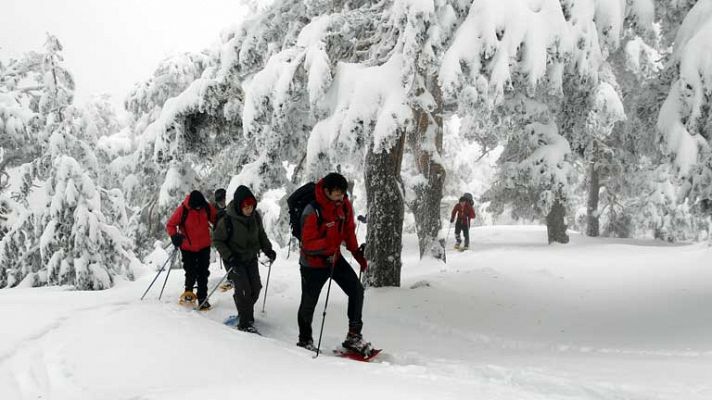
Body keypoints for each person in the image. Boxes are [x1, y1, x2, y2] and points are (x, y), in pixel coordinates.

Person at [296, 172, 370, 355]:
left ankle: (354, 335)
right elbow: (308, 243)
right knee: (308, 304)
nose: (340, 196)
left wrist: (358, 255)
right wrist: (328, 245)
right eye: (337, 193)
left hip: (334, 259)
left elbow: (349, 233)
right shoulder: (312, 210)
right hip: (312, 264)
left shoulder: (344, 206)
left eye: (343, 193)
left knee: (357, 291)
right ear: (327, 191)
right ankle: (305, 339)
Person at [213, 185, 276, 334]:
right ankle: (244, 323)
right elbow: (217, 240)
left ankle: (245, 312)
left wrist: (268, 249)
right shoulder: (227, 220)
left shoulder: (255, 217)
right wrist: (229, 256)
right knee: (244, 290)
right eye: (245, 207)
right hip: (234, 260)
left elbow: (261, 234)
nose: (249, 209)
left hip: (250, 258)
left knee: (256, 288)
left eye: (251, 206)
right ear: (239, 205)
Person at [166, 190, 217, 309]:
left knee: (203, 273)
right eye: (197, 207)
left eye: (201, 206)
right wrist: (174, 237)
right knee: (191, 271)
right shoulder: (183, 210)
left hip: (204, 246)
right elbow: (170, 225)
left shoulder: (206, 207)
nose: (199, 208)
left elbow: (216, 219)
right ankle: (188, 291)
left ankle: (202, 298)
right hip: (187, 247)